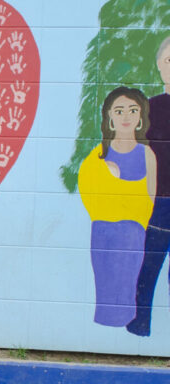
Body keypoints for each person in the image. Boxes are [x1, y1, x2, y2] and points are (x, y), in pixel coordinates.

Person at [78, 87, 156, 327]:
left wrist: (133, 220)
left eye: (133, 110)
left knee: (126, 283)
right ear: (109, 117)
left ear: (140, 116)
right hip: (102, 233)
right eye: (119, 110)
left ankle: (124, 323)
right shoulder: (98, 156)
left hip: (132, 235)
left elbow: (149, 198)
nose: (126, 116)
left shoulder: (147, 154)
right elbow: (88, 193)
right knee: (105, 285)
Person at [129, 36, 170, 336]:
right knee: (147, 268)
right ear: (159, 66)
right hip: (158, 202)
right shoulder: (149, 109)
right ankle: (139, 326)